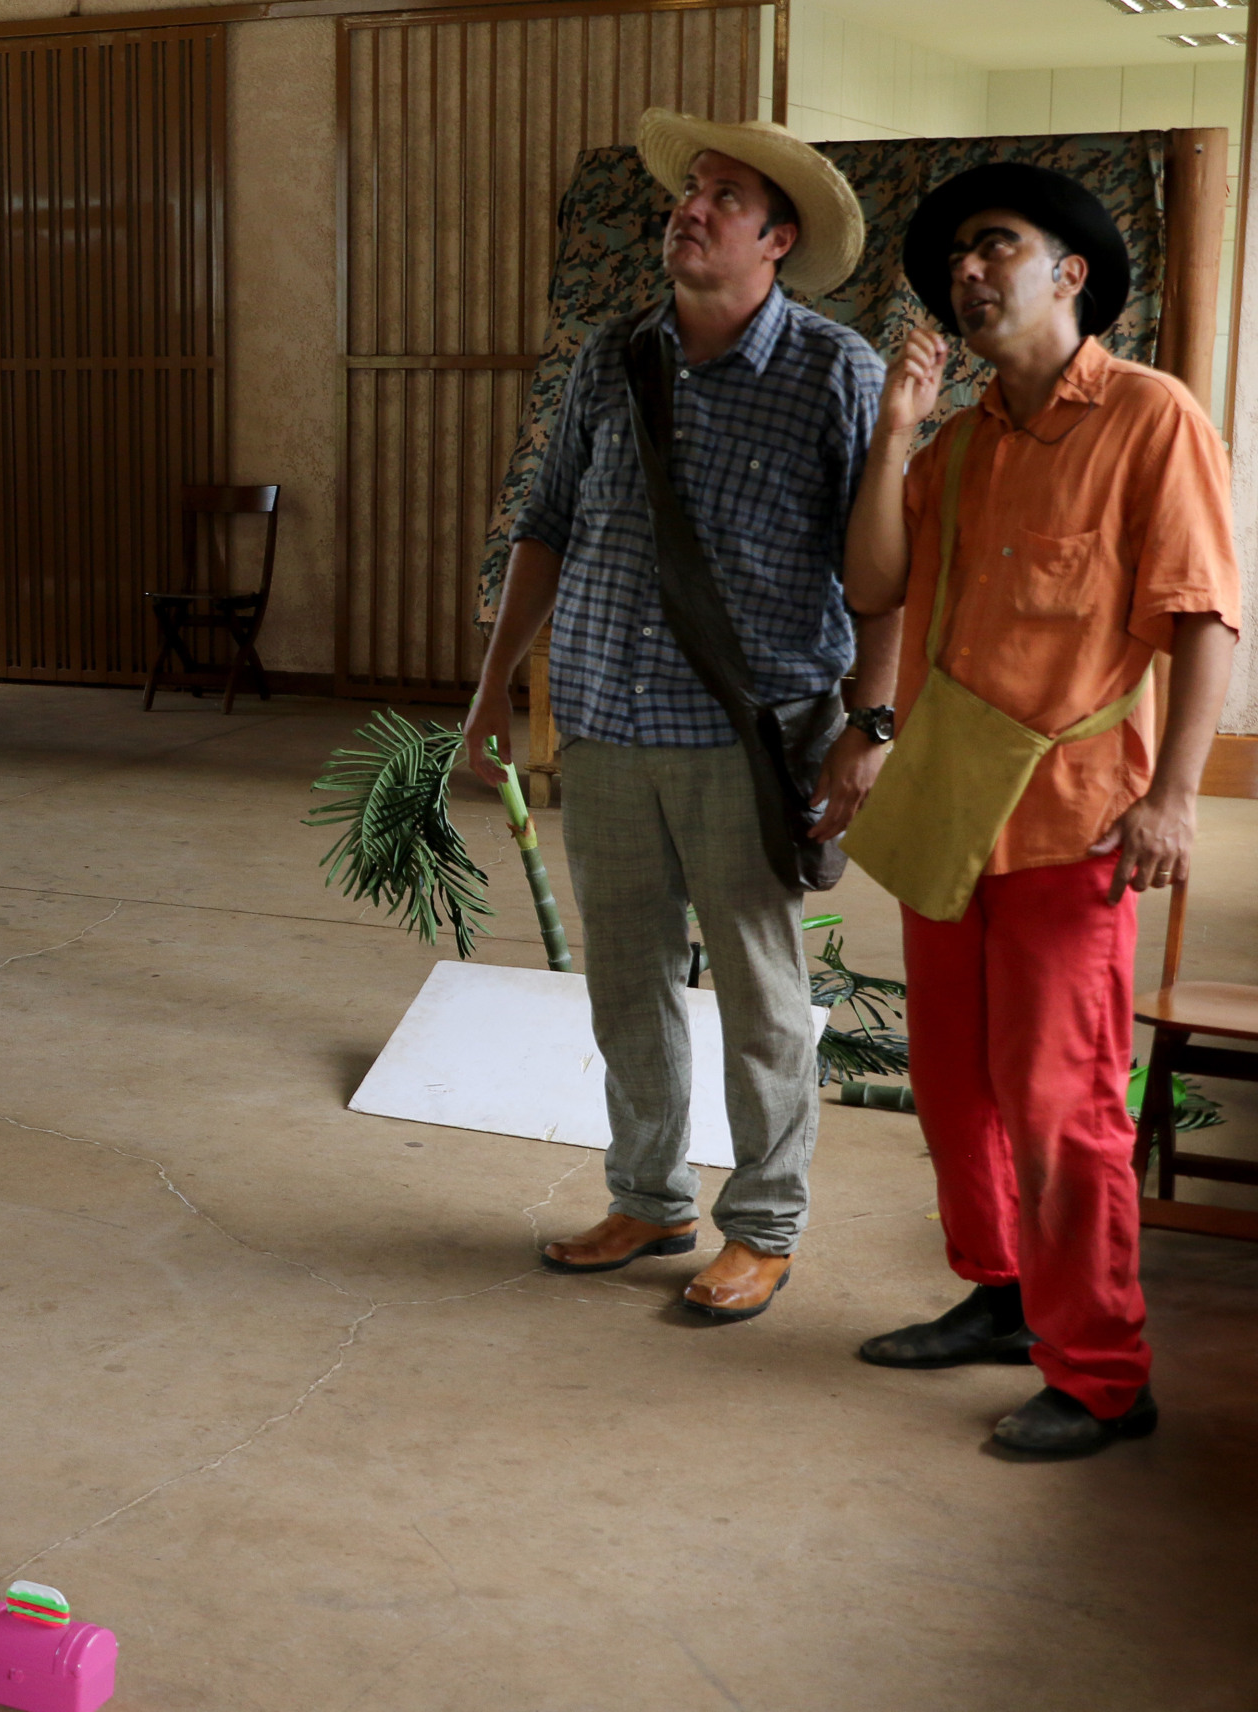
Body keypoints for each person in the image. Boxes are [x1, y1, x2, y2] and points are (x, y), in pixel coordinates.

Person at [465, 111, 899, 1320]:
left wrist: (871, 724)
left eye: (723, 197)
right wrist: (498, 687)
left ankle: (762, 1224)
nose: (690, 208)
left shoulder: (835, 372)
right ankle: (648, 1195)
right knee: (627, 981)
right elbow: (543, 526)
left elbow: (883, 578)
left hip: (746, 736)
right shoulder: (615, 355)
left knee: (761, 993)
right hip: (603, 719)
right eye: (689, 189)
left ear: (777, 239)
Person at [841, 164, 1238, 1457]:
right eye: (956, 255)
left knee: (1065, 1102)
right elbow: (874, 590)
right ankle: (1003, 1299)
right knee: (954, 1085)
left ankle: (1107, 1375)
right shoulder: (957, 443)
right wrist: (896, 431)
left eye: (994, 246)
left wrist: (1175, 795)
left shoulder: (1150, 417)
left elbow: (1199, 617)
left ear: (1071, 271)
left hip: (1080, 821)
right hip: (952, 810)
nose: (968, 269)